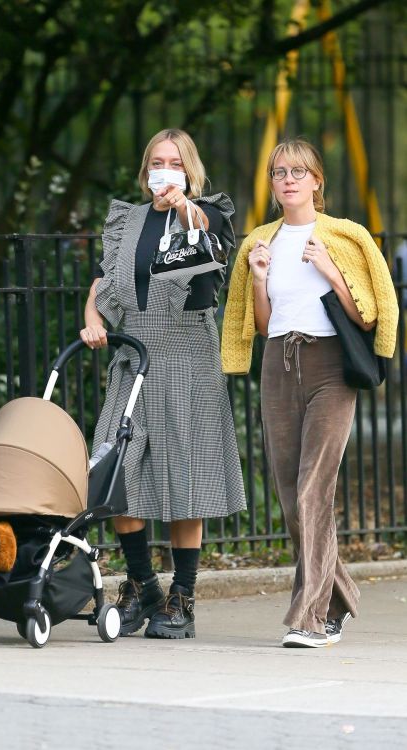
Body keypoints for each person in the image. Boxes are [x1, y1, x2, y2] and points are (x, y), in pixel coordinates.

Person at [222, 138, 398, 648]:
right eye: (280, 171)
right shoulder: (260, 242)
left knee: (313, 489)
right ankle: (341, 597)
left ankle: (310, 618)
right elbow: (261, 324)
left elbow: (367, 314)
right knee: (289, 494)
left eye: (300, 170)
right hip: (279, 364)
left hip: (330, 366)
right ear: (273, 183)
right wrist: (258, 279)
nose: (289, 179)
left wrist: (331, 274)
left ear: (318, 181)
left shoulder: (344, 237)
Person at [81, 128, 246, 639]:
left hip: (188, 356)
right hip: (134, 359)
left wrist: (181, 206)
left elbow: (207, 240)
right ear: (145, 167)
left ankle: (183, 598)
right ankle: (142, 584)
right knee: (114, 473)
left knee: (185, 477)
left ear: (189, 169)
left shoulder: (208, 212)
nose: (164, 169)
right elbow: (102, 288)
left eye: (175, 162)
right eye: (157, 160)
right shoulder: (127, 220)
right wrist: (93, 319)